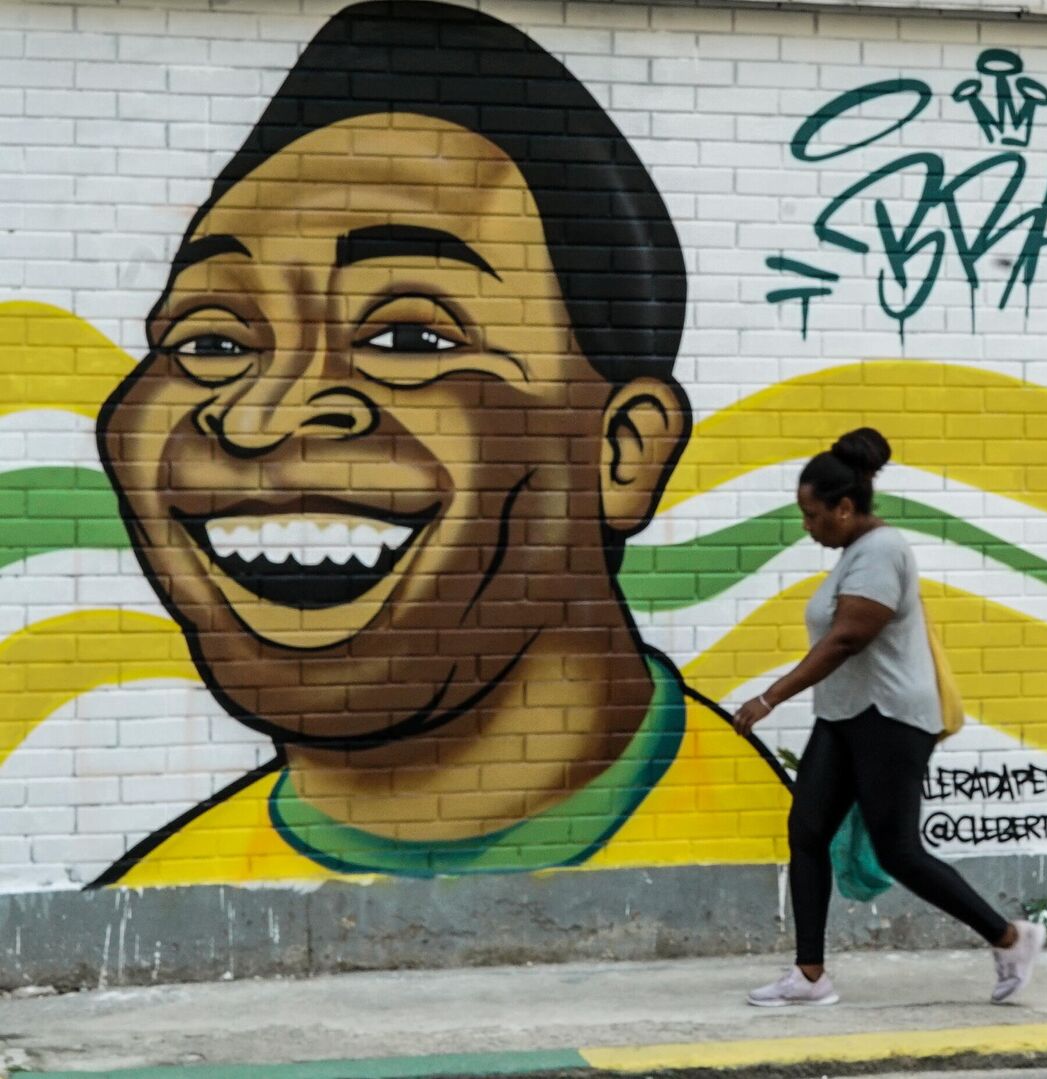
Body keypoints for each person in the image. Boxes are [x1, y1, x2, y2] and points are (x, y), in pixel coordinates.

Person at [91, 0, 788, 885]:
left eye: (410, 339)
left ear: (622, 452)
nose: (257, 415)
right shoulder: (164, 893)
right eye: (211, 342)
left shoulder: (762, 855)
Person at [730, 429, 1045, 1006]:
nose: (807, 525)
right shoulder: (854, 552)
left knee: (898, 848)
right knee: (807, 831)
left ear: (844, 508)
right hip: (846, 715)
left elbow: (849, 636)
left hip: (891, 718)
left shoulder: (882, 551)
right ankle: (809, 975)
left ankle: (1010, 936)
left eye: (813, 514)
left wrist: (770, 697)